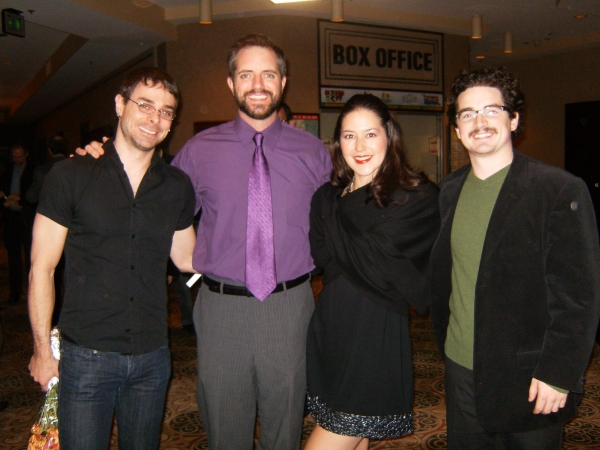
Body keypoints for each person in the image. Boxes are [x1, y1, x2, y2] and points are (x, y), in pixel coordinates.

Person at [79, 34, 331, 450]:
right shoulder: (198, 151)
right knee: (224, 424)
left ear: (283, 82)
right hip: (221, 308)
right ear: (231, 84)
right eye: (246, 74)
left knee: (285, 426)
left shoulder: (314, 152)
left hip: (291, 306)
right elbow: (149, 201)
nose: (257, 84)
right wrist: (102, 159)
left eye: (268, 74)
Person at [429, 67, 600, 450]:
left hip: (529, 377)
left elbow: (579, 295)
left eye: (492, 109)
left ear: (514, 119)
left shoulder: (556, 189)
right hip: (461, 369)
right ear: (456, 129)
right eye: (467, 114)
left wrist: (558, 373)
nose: (480, 122)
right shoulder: (450, 190)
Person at [28, 67, 197, 450]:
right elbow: (42, 268)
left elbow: (187, 257)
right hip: (86, 357)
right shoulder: (71, 175)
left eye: (166, 111)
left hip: (153, 357)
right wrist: (41, 352)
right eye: (145, 104)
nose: (155, 118)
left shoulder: (176, 186)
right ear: (120, 105)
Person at [305, 94, 440, 450]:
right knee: (356, 436)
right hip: (331, 327)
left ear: (389, 137)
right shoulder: (326, 196)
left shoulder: (414, 196)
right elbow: (323, 258)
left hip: (373, 334)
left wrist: (343, 237)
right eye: (349, 136)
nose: (360, 146)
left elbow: (385, 270)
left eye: (370, 134)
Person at [26, 134, 69, 325]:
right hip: (73, 231)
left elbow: (31, 196)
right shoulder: (78, 166)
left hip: (51, 229)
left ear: (49, 150)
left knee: (46, 272)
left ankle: (52, 315)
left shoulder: (43, 171)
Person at [0, 144, 35, 304]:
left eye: (20, 156)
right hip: (11, 220)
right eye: (14, 157)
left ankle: (33, 293)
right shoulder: (6, 171)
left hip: (26, 219)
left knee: (30, 258)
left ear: (26, 154)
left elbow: (34, 195)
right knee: (13, 259)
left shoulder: (33, 171)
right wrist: (8, 198)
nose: (17, 159)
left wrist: (19, 198)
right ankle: (15, 293)